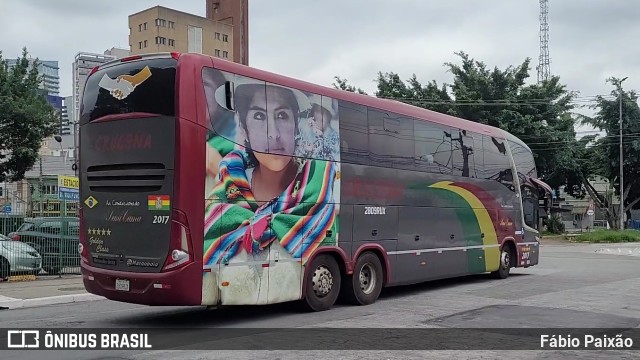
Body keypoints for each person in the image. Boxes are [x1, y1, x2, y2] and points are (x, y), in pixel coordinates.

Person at [203, 78, 340, 304]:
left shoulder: (317, 185)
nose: (273, 135)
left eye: (282, 116)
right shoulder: (229, 180)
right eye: (259, 116)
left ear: (296, 125)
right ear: (244, 129)